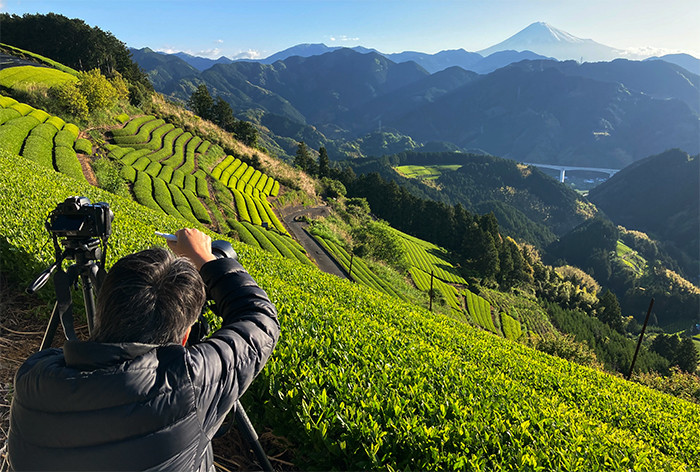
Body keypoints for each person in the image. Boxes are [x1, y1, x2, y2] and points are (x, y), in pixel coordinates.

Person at [7, 228, 280, 471]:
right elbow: (261, 320)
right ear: (185, 337)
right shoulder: (187, 382)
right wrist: (204, 259)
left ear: (102, 308)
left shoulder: (34, 375)